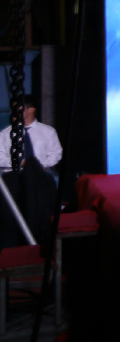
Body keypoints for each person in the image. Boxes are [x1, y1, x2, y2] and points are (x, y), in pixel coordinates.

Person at [1, 94, 64, 247]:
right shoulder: (5, 134)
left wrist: (38, 165)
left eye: (18, 108)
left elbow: (56, 154)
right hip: (14, 177)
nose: (14, 112)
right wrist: (21, 164)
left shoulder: (48, 131)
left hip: (40, 175)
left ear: (31, 110)